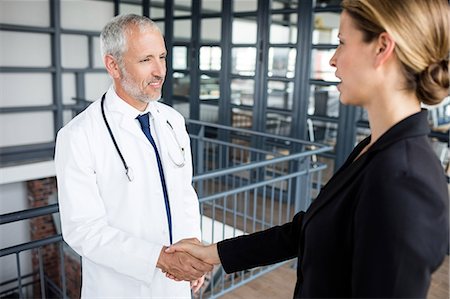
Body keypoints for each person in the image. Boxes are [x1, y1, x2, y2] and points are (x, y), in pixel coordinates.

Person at [166, 0, 450, 298]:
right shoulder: (374, 149)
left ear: (382, 48)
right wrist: (214, 253)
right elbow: (309, 230)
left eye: (341, 43)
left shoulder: (403, 181)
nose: (332, 60)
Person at [54, 14, 211, 298]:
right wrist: (161, 258)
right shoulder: (78, 135)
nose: (160, 71)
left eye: (162, 57)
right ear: (113, 65)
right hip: (119, 288)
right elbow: (83, 230)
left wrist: (194, 252)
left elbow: (184, 194)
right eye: (146, 60)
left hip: (174, 283)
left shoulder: (173, 121)